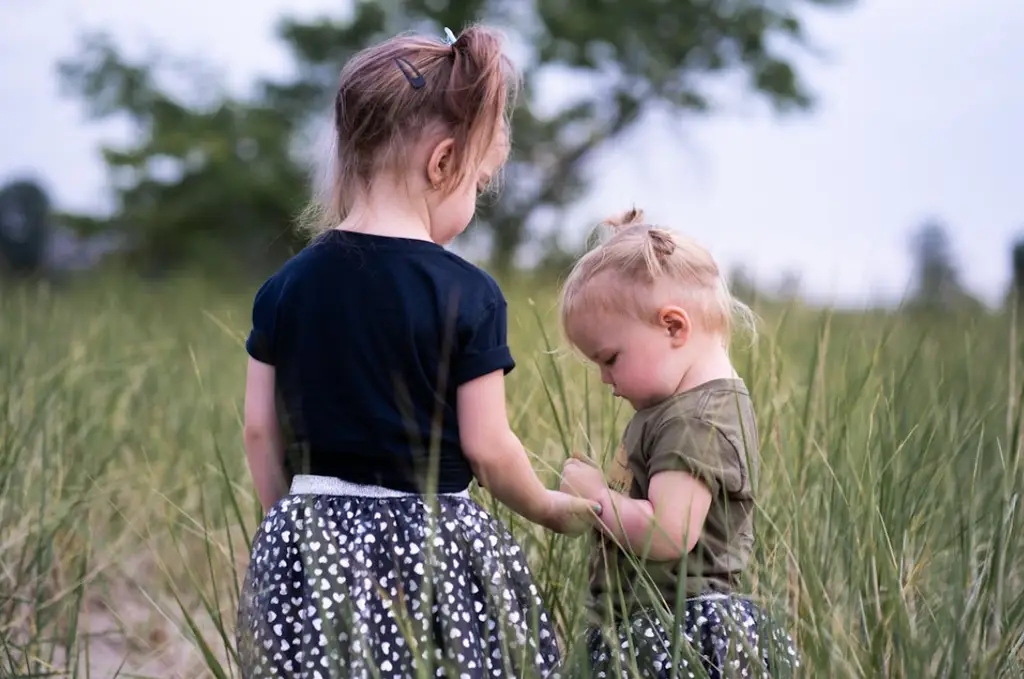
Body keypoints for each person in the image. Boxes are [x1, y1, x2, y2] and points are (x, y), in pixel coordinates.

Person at [234, 24, 600, 679]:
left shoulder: (283, 287)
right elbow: (488, 447)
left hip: (307, 529)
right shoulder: (470, 293)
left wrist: (288, 526)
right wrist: (545, 505)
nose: (474, 201)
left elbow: (260, 429)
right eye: (478, 183)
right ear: (443, 162)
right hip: (430, 542)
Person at [556, 208, 800, 678]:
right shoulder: (678, 408)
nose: (604, 378)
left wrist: (595, 499)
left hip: (679, 634)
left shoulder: (698, 420)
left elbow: (669, 532)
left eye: (609, 359)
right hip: (650, 626)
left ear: (673, 327)